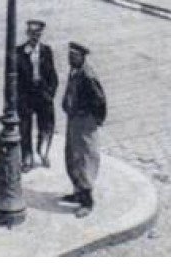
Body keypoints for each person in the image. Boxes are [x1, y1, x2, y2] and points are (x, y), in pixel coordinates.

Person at [61, 41, 107, 218]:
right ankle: (78, 192)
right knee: (73, 155)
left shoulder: (88, 75)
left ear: (82, 57)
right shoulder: (75, 71)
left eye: (74, 56)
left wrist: (92, 121)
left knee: (85, 157)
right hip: (74, 120)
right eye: (69, 56)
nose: (70, 59)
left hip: (84, 122)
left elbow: (99, 101)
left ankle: (87, 201)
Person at [15, 19, 60, 172]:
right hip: (26, 96)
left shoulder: (47, 51)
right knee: (24, 127)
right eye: (32, 33)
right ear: (27, 34)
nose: (35, 37)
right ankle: (26, 158)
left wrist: (50, 93)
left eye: (38, 34)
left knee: (46, 125)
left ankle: (43, 152)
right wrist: (18, 97)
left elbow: (52, 75)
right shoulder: (19, 51)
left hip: (43, 95)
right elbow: (14, 77)